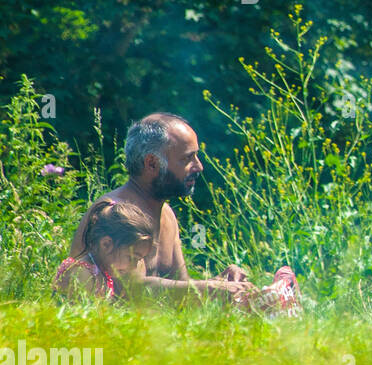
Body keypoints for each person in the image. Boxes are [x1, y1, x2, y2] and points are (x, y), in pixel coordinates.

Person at [67, 113, 300, 311]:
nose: (199, 166)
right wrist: (210, 289)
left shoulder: (166, 213)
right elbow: (130, 290)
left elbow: (181, 289)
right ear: (151, 164)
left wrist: (220, 282)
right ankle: (277, 303)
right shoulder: (116, 213)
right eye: (188, 158)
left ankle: (275, 299)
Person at [53, 199, 154, 300]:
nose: (133, 267)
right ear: (106, 244)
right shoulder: (81, 274)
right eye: (132, 258)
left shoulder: (100, 272)